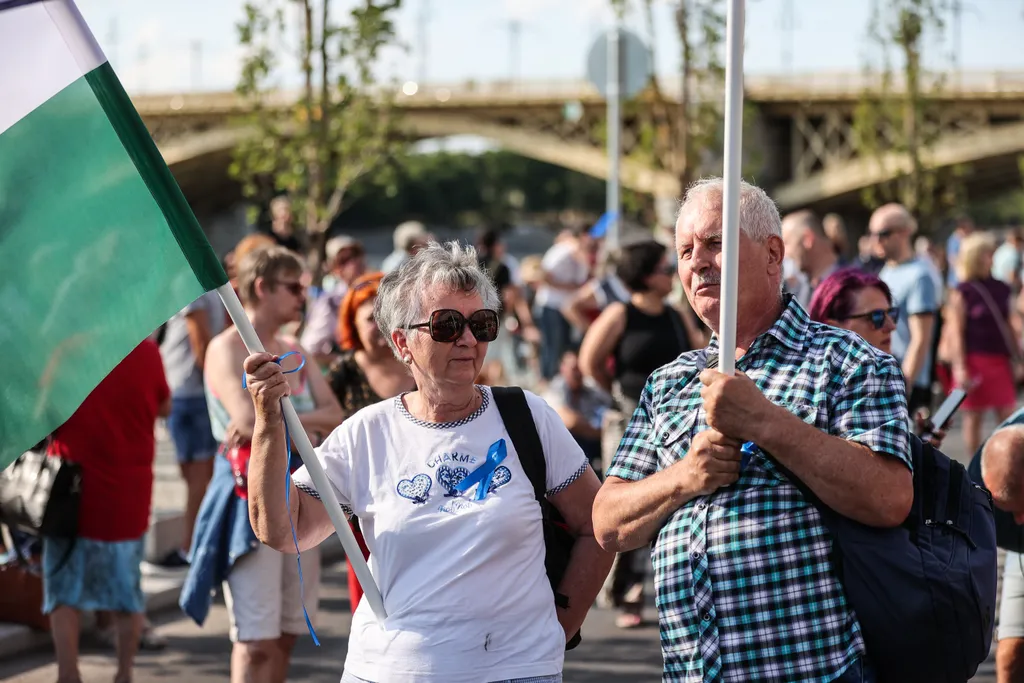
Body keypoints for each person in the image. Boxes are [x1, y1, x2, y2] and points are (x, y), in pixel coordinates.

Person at [242, 241, 613, 683]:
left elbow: (600, 523)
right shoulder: (367, 433)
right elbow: (283, 528)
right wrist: (268, 421)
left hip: (515, 670)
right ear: (402, 342)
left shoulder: (527, 416)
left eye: (481, 323)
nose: (469, 339)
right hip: (385, 670)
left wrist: (561, 625)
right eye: (448, 325)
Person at [593, 177, 912, 683]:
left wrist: (765, 421)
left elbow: (889, 497)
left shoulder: (847, 361)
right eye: (685, 249)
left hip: (812, 670)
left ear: (772, 253)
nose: (697, 261)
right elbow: (609, 522)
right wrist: (685, 477)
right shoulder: (669, 382)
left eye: (716, 243)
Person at [180, 246, 343, 683]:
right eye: (293, 287)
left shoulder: (293, 349)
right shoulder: (226, 347)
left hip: (303, 494)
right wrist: (297, 424)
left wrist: (288, 417)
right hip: (246, 498)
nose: (301, 297)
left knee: (290, 632)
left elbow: (336, 414)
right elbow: (246, 423)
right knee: (255, 640)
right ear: (261, 288)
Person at [578, 238, 703, 629]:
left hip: (674, 419)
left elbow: (700, 351)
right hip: (630, 415)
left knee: (671, 499)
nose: (671, 275)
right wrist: (617, 392)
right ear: (647, 276)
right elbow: (590, 361)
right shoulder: (621, 313)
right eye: (666, 268)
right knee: (628, 501)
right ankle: (625, 591)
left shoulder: (675, 315)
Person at [44, 340, 171, 683]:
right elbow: (164, 406)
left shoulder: (67, 351)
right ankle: (124, 673)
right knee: (127, 593)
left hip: (70, 490)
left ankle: (68, 673)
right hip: (127, 491)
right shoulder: (145, 350)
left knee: (63, 591)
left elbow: (43, 411)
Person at [324, 271, 416, 612]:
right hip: (362, 497)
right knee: (365, 590)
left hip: (420, 490)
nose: (378, 327)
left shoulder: (417, 363)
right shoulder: (344, 371)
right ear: (352, 323)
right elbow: (322, 423)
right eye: (368, 319)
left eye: (384, 317)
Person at [808, 268, 947, 448]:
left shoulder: (886, 374)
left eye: (892, 314)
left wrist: (918, 445)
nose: (891, 326)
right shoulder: (820, 391)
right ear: (834, 328)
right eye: (876, 317)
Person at [157, 290, 227, 568]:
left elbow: (201, 345)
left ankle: (192, 549)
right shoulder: (206, 290)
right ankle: (197, 546)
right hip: (190, 392)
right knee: (197, 476)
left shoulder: (194, 289)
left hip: (191, 392)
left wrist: (219, 386)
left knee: (198, 478)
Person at [945, 232, 1019, 458]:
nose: (992, 257)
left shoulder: (1001, 288)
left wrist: (1017, 357)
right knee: (973, 417)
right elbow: (956, 332)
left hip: (999, 359)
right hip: (973, 361)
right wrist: (960, 366)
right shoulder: (963, 291)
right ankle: (974, 469)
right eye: (987, 253)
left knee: (1008, 417)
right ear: (976, 257)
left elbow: (1010, 325)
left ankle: (1007, 464)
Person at [967, 412, 1024, 683]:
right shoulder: (978, 481)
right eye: (1011, 510)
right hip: (1019, 550)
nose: (1019, 520)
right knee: (1011, 653)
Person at [870, 203, 940, 416]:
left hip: (909, 382)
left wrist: (904, 384)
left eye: (883, 233)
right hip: (887, 376)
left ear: (904, 232)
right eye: (872, 234)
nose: (876, 241)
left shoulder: (920, 276)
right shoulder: (885, 272)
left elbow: (921, 339)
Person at [534, 226, 593, 379]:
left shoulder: (578, 254)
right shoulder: (563, 251)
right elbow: (543, 274)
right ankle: (549, 380)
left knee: (562, 346)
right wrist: (567, 286)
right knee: (553, 346)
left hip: (564, 308)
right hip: (552, 306)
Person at [300, 235, 367, 366]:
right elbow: (309, 349)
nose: (354, 262)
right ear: (335, 269)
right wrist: (350, 362)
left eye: (356, 254)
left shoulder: (378, 290)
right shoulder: (331, 302)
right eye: (344, 260)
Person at [542, 350, 612, 466]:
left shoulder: (588, 387)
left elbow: (611, 403)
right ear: (563, 368)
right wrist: (603, 433)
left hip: (591, 442)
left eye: (580, 368)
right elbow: (570, 422)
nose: (578, 373)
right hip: (562, 449)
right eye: (574, 368)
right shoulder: (556, 389)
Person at [781, 209, 840, 294]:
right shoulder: (799, 290)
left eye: (787, 243)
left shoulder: (854, 286)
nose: (784, 254)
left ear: (807, 239)